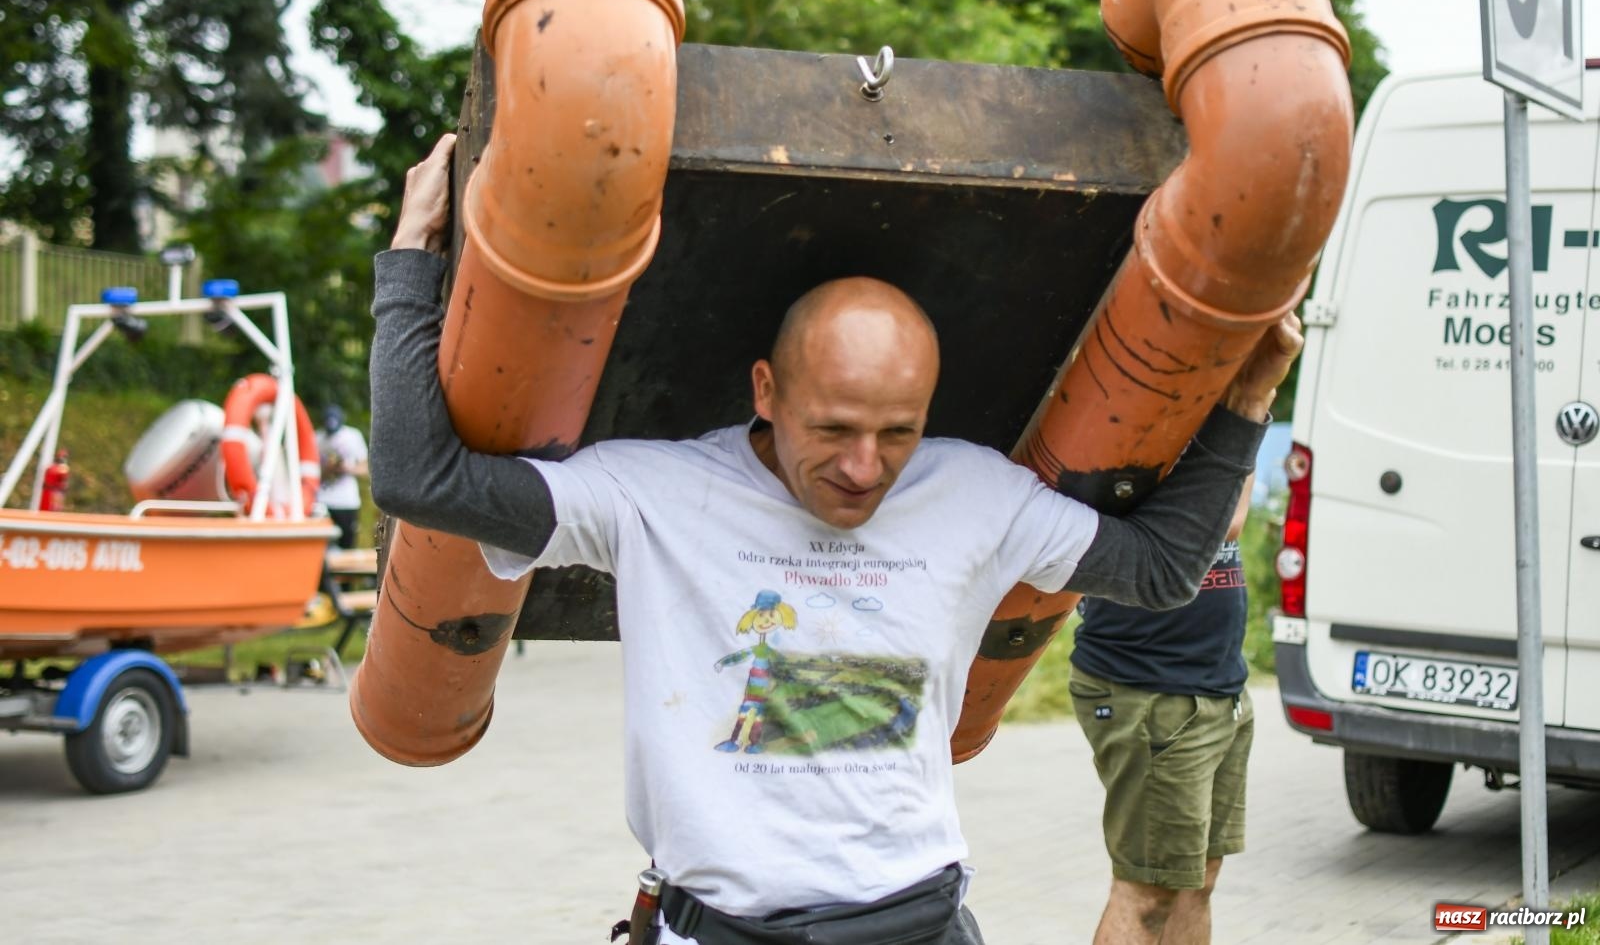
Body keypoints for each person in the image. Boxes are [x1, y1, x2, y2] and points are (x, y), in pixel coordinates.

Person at [367, 134, 1300, 945]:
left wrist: (1248, 399)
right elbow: (421, 478)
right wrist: (412, 257)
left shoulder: (975, 492)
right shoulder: (653, 492)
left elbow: (1163, 567)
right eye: (834, 429)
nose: (864, 466)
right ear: (766, 391)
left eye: (897, 433)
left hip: (919, 925)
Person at [1070, 466, 1271, 945]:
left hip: (1219, 680)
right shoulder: (1149, 418)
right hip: (1152, 686)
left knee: (1198, 879)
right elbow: (1224, 520)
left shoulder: (1224, 423)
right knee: (1147, 892)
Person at [315, 403, 369, 549]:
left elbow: (365, 468)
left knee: (347, 545)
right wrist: (328, 469)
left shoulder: (352, 436)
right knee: (322, 547)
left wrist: (347, 468)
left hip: (347, 502)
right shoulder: (317, 438)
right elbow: (311, 474)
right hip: (323, 501)